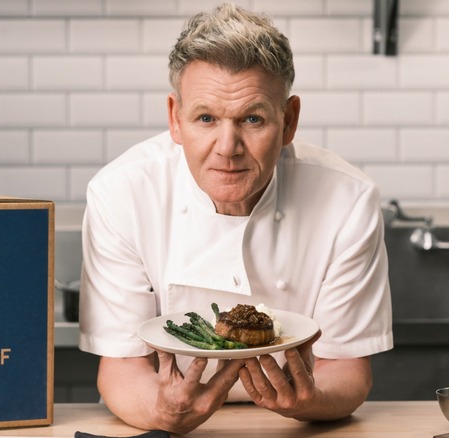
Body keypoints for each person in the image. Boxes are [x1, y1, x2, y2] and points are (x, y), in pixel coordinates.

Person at [78, 2, 393, 435]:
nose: (228, 146)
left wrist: (312, 400)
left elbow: (349, 368)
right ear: (175, 118)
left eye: (252, 119)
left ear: (289, 121)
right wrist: (164, 412)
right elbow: (121, 368)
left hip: (297, 429)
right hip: (156, 425)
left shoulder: (347, 199)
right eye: (206, 118)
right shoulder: (122, 193)